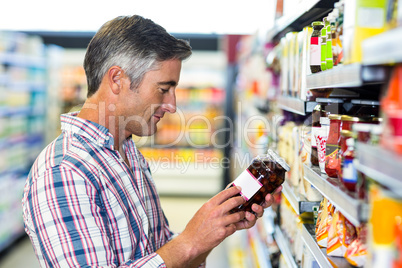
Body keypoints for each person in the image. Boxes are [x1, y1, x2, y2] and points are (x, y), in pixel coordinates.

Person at [22, 15, 281, 267]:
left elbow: (159, 252)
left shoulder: (126, 152)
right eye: (163, 89)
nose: (172, 105)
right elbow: (175, 252)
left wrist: (212, 230)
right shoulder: (65, 171)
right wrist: (189, 242)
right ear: (117, 80)